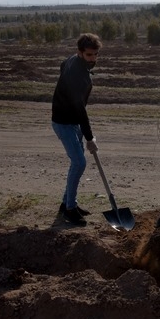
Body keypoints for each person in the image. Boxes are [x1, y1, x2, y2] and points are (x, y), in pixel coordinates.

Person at [51, 33, 102, 225]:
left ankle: (67, 203)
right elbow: (80, 109)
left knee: (78, 162)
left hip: (73, 121)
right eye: (89, 55)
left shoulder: (73, 61)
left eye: (96, 54)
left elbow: (62, 64)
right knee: (79, 163)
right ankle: (70, 209)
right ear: (80, 52)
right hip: (64, 123)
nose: (93, 59)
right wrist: (90, 138)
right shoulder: (77, 76)